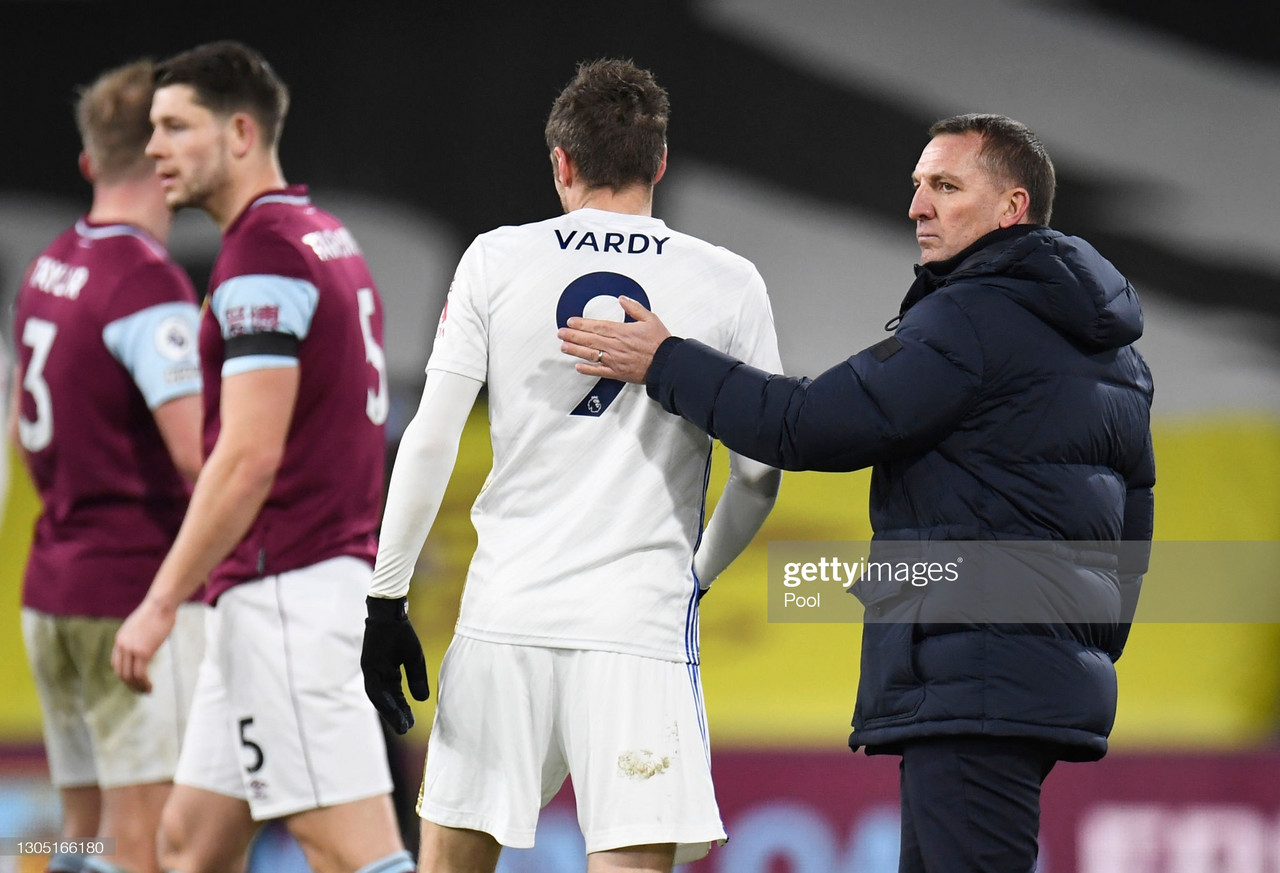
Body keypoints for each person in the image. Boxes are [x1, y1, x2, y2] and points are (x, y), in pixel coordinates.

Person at [559, 113, 1156, 872]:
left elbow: (807, 426)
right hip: (1018, 677)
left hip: (976, 675)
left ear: (1012, 207)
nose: (918, 206)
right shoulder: (1111, 346)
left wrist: (667, 361)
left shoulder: (976, 317)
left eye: (945, 185)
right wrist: (1078, 648)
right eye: (917, 185)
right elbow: (1133, 512)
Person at [359, 59, 783, 873]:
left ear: (561, 162)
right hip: (636, 627)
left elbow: (432, 437)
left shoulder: (495, 260)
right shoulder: (729, 282)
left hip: (504, 615)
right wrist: (695, 577)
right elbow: (760, 474)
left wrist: (386, 597)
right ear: (660, 162)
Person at [108, 42, 411, 873]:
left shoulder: (262, 258)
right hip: (280, 593)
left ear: (240, 132)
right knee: (187, 844)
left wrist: (161, 599)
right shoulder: (320, 237)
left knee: (355, 854)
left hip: (288, 595)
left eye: (175, 126)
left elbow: (246, 459)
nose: (155, 147)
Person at [9, 60, 205, 873]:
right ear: (168, 164)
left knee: (82, 834)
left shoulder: (49, 266)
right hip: (127, 605)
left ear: (90, 163)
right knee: (142, 847)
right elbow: (200, 453)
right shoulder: (146, 287)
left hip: (52, 592)